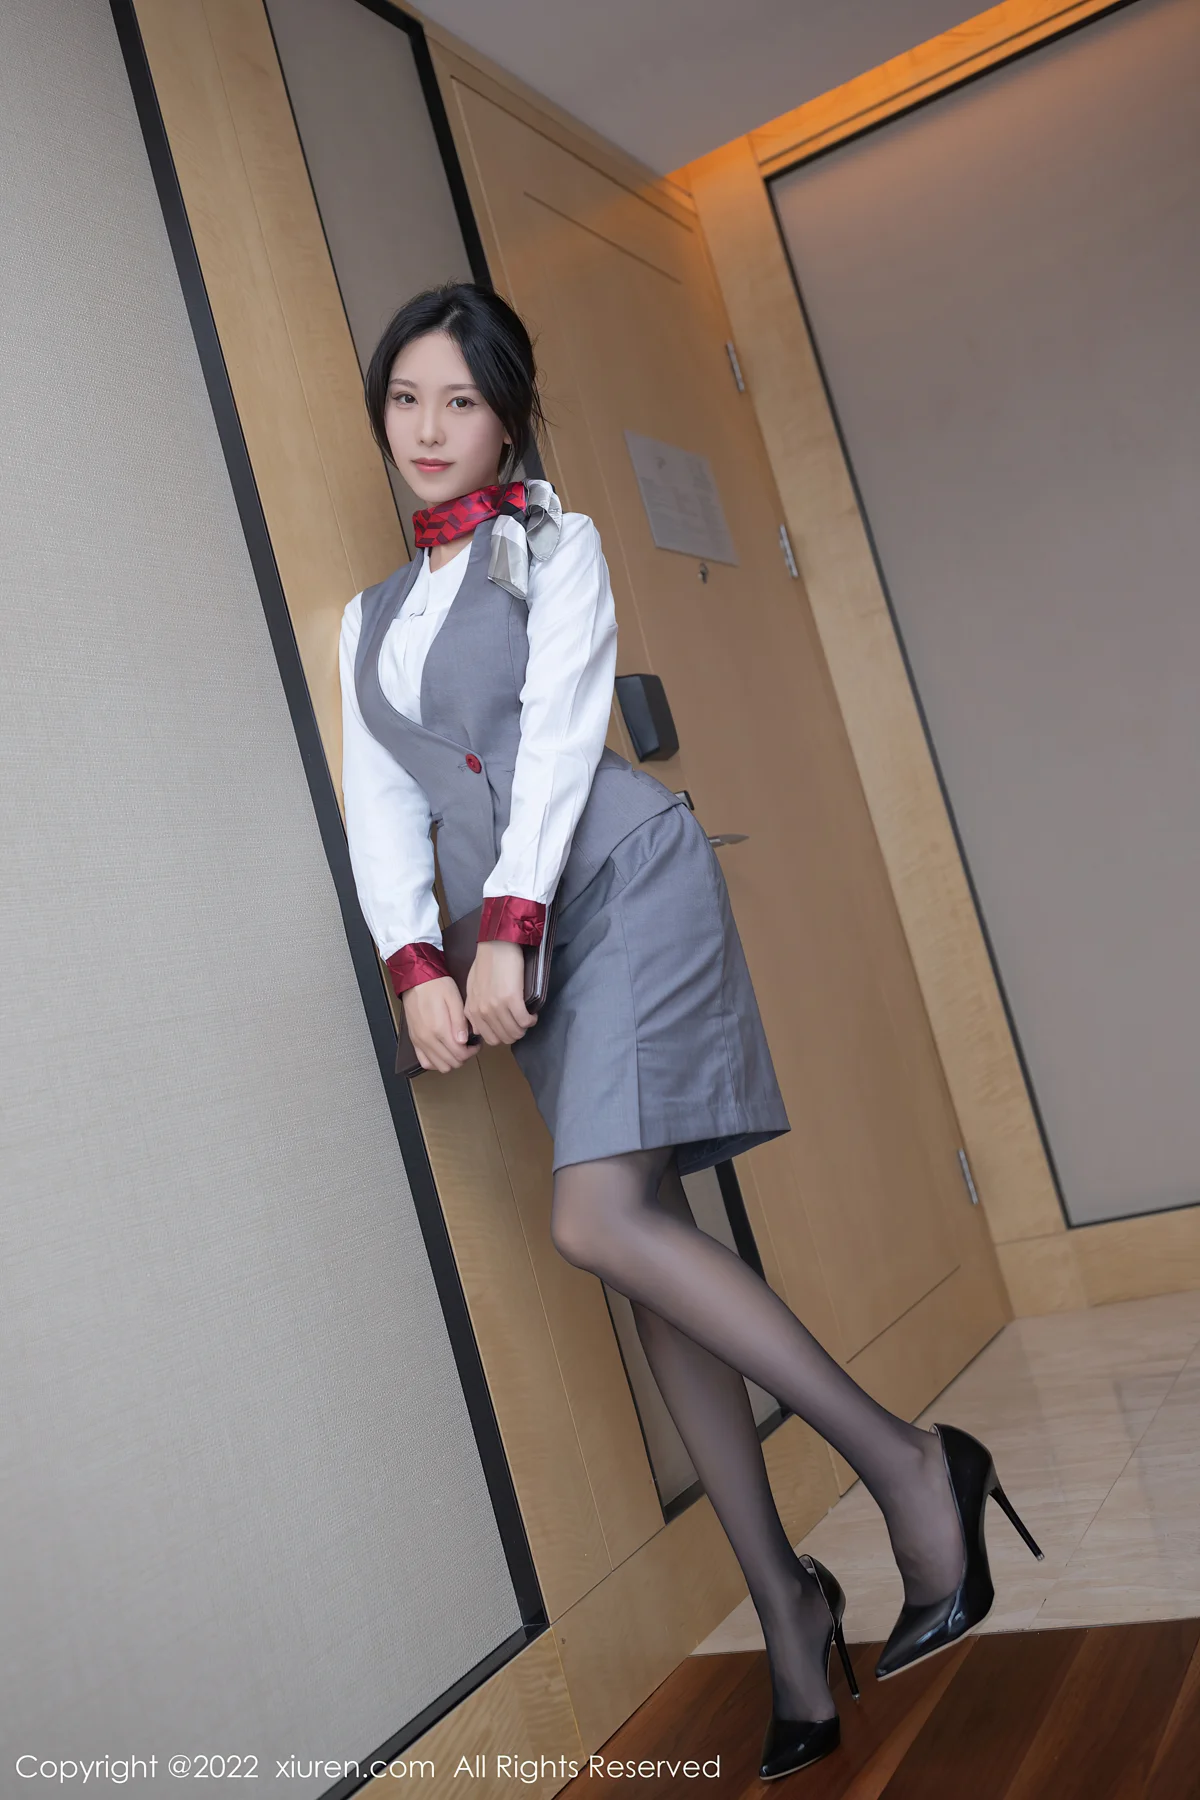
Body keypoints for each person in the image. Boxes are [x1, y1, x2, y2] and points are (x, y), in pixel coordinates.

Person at [338, 282, 1041, 1781]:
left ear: (508, 419)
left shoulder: (558, 545)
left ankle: (916, 1466)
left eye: (461, 400)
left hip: (619, 890)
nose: (428, 427)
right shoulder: (368, 620)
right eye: (406, 397)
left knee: (597, 1218)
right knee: (644, 1241)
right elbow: (384, 804)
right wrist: (416, 968)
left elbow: (561, 741)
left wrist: (505, 928)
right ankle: (789, 1609)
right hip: (513, 953)